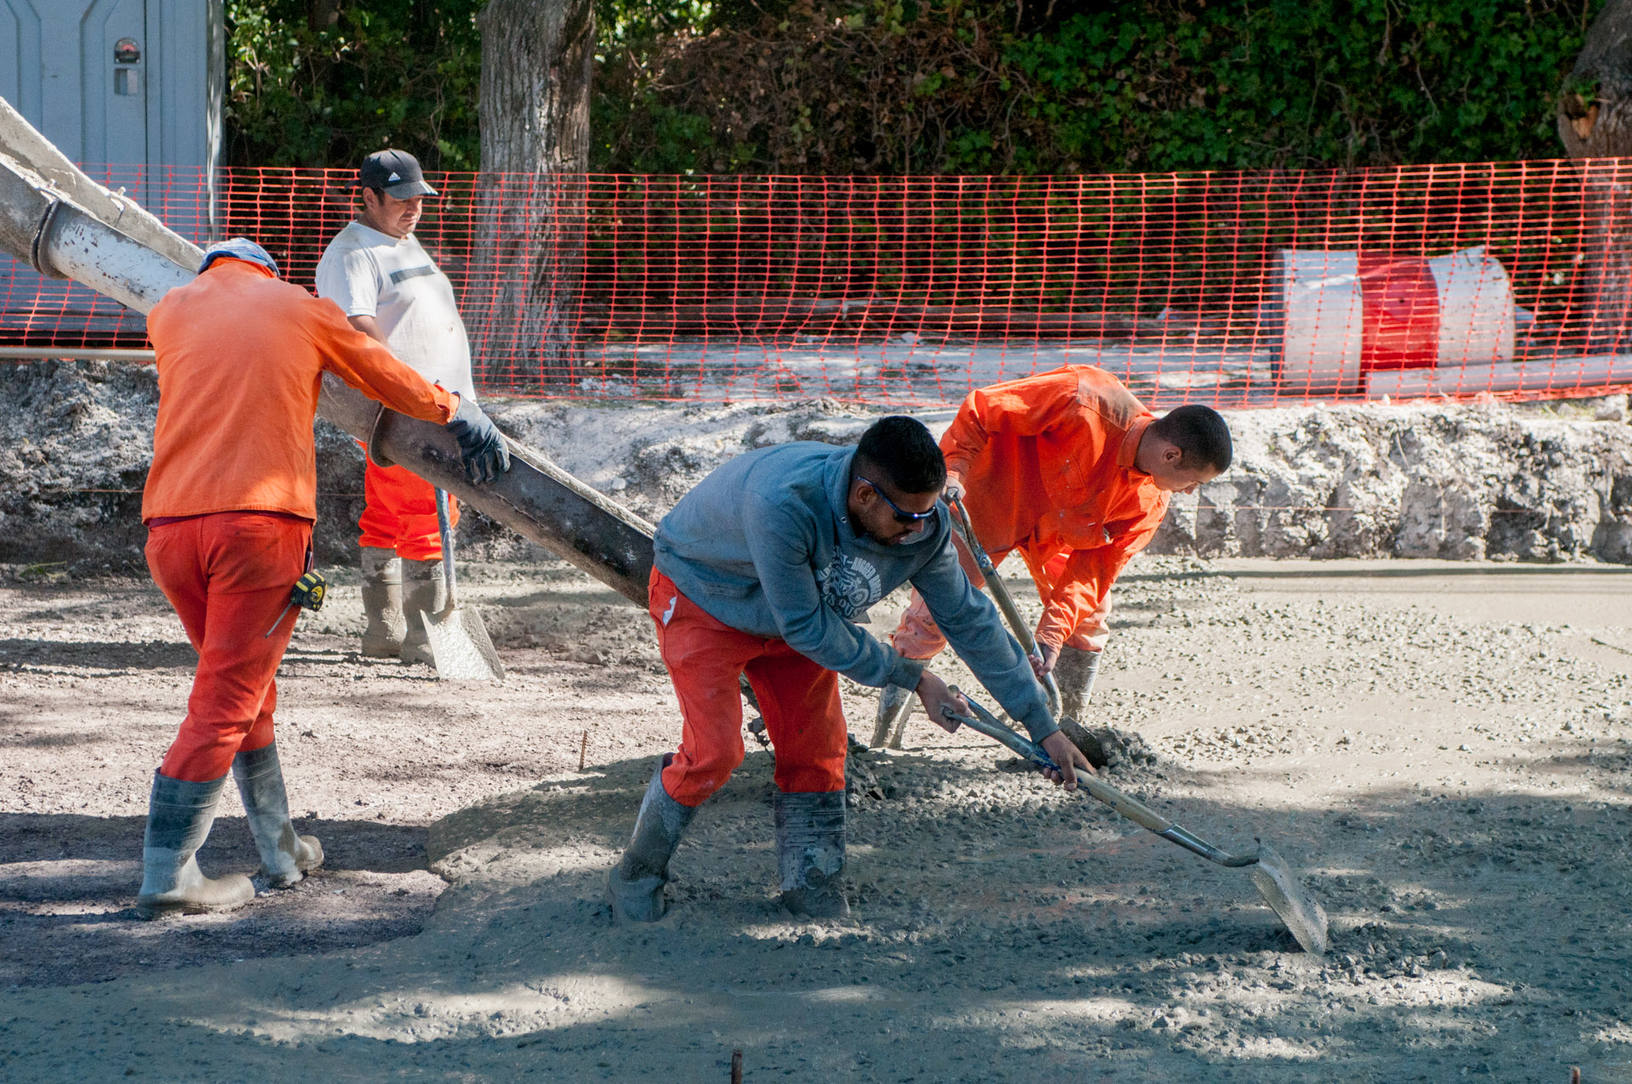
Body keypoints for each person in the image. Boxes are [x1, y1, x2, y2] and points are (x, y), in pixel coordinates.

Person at [135, 238, 509, 918]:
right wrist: (452, 407)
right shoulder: (298, 307)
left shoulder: (170, 311)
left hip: (169, 530)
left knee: (245, 684)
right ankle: (170, 877)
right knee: (225, 697)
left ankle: (280, 849)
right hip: (257, 526)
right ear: (269, 270)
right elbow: (379, 371)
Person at [607, 416, 1090, 924]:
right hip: (703, 597)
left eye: (926, 517)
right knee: (714, 752)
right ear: (863, 497)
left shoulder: (921, 524)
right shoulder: (784, 502)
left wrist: (1043, 728)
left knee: (817, 751)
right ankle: (637, 873)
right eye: (907, 518)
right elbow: (808, 628)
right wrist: (914, 677)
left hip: (799, 613)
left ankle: (811, 881)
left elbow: (971, 621)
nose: (917, 532)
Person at [873, 365, 1232, 747]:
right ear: (1171, 455)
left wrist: (1051, 636)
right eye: (1195, 481)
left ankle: (1067, 733)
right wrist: (954, 468)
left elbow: (1094, 572)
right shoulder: (1084, 398)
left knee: (1086, 619)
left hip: (1059, 537)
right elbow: (984, 409)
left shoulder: (1150, 502)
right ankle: (885, 737)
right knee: (933, 612)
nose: (1191, 492)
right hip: (990, 501)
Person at [315, 148, 477, 664]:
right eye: (402, 197)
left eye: (419, 197)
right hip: (408, 406)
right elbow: (356, 327)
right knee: (428, 513)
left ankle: (384, 630)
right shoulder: (351, 253)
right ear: (368, 197)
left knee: (387, 514)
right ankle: (425, 636)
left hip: (435, 402)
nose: (414, 207)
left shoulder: (401, 242)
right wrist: (405, 390)